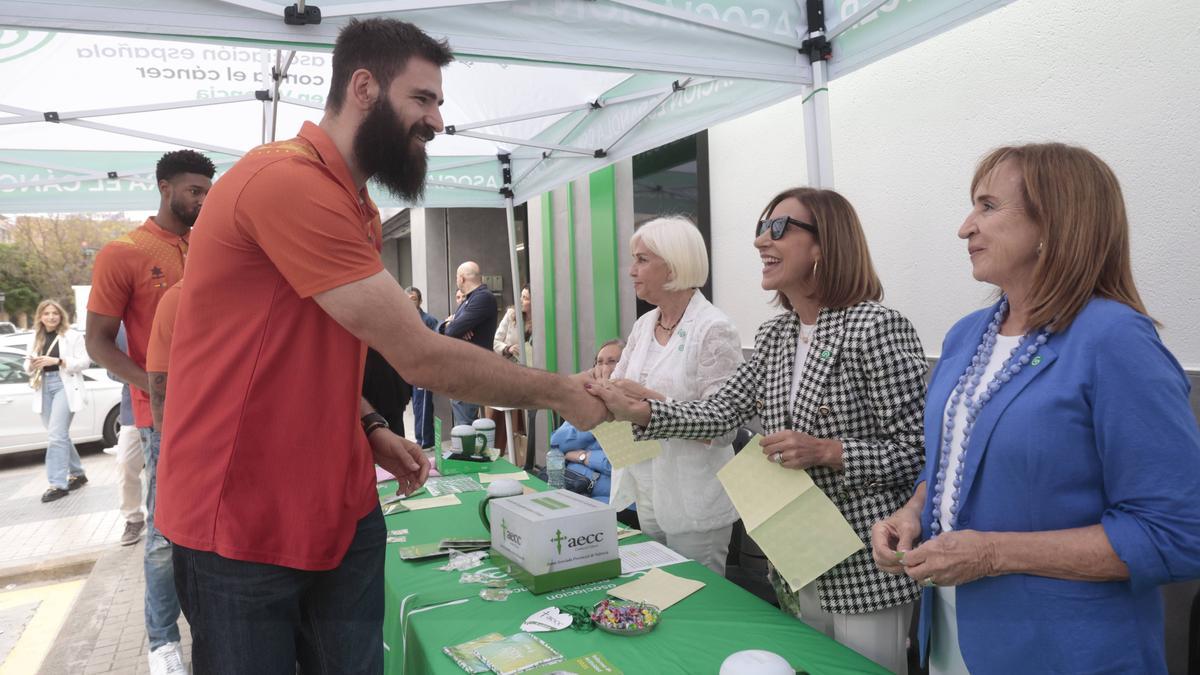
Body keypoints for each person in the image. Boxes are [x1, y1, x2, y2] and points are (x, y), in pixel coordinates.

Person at [153, 19, 605, 674]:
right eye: (423, 99)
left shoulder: (351, 202)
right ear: (364, 87)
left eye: (440, 102)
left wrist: (366, 425)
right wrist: (564, 391)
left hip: (338, 510)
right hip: (242, 524)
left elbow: (307, 351)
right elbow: (420, 355)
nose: (438, 121)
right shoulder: (286, 183)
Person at [870, 143, 1200, 675]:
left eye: (987, 206)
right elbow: (955, 467)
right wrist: (912, 513)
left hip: (1064, 652)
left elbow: (1177, 533)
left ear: (1055, 223)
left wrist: (994, 553)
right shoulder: (966, 336)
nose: (964, 227)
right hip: (950, 638)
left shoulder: (1115, 340)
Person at [592, 192, 927, 673]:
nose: (758, 241)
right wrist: (639, 410)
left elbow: (917, 454)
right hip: (798, 549)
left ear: (823, 245)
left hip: (864, 560)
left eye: (778, 228)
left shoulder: (876, 326)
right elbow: (718, 414)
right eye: (760, 226)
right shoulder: (776, 335)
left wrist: (829, 451)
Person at [87, 149, 212, 675]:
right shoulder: (125, 252)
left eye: (208, 191)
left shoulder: (214, 247)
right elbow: (97, 344)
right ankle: (162, 643)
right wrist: (157, 386)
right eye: (193, 191)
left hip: (218, 413)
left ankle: (212, 625)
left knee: (212, 527)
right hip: (159, 417)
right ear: (164, 187)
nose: (203, 201)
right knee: (163, 534)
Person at [587, 216, 744, 575]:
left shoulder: (714, 328)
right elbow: (618, 394)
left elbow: (723, 428)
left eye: (642, 259)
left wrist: (646, 399)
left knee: (698, 606)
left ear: (674, 264)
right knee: (658, 592)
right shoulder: (644, 325)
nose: (631, 270)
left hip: (694, 500)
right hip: (647, 488)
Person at [23, 300, 89, 503]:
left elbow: (85, 362)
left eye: (55, 313)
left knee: (55, 436)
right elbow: (26, 365)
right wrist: (32, 364)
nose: (51, 317)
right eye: (46, 313)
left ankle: (57, 484)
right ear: (40, 316)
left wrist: (58, 361)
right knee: (58, 435)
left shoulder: (73, 336)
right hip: (43, 387)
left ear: (61, 316)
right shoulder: (35, 337)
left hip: (64, 386)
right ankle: (77, 473)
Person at [552, 340, 625, 504]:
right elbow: (556, 442)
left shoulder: (632, 404)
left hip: (613, 498)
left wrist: (582, 455)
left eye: (612, 362)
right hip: (573, 482)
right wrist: (593, 417)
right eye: (599, 362)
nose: (604, 369)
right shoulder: (589, 400)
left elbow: (617, 464)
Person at [440, 261, 498, 425]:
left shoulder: (482, 298)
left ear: (462, 278)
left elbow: (451, 331)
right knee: (464, 421)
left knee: (465, 426)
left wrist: (454, 326)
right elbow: (448, 328)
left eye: (457, 278)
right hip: (465, 370)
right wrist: (451, 324)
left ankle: (467, 451)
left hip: (472, 372)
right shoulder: (469, 299)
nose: (456, 281)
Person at [108, 324, 146, 546]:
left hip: (168, 405)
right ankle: (133, 519)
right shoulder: (119, 328)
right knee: (125, 463)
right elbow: (111, 370)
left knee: (158, 468)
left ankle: (161, 520)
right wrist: (140, 376)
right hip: (132, 406)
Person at [406, 286, 438, 448]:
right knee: (414, 406)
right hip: (406, 369)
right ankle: (422, 438)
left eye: (414, 299)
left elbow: (435, 344)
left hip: (423, 370)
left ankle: (424, 441)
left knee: (422, 405)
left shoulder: (429, 321)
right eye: (408, 299)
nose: (410, 302)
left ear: (420, 301)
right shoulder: (402, 319)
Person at [494, 284, 532, 361]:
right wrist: (508, 349)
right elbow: (495, 342)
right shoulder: (511, 314)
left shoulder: (542, 321)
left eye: (525, 298)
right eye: (521, 296)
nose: (520, 300)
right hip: (509, 363)